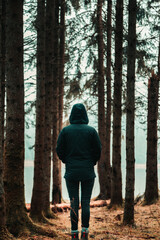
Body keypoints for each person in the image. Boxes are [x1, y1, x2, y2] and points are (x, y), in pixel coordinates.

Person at [56, 103, 101, 240]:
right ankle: (85, 233)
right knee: (86, 201)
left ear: (72, 115)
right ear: (85, 115)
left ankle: (74, 233)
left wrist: (66, 161)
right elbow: (98, 150)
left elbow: (59, 150)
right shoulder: (91, 131)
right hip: (88, 171)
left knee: (74, 202)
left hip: (71, 172)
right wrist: (92, 162)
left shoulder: (65, 131)